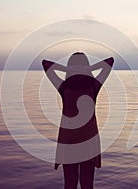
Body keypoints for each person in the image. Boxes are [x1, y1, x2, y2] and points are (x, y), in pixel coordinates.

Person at [42, 52, 114, 189]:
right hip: (87, 140)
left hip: (70, 140)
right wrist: (88, 69)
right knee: (87, 184)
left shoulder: (64, 87)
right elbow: (109, 62)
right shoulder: (93, 86)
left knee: (70, 183)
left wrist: (68, 70)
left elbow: (46, 65)